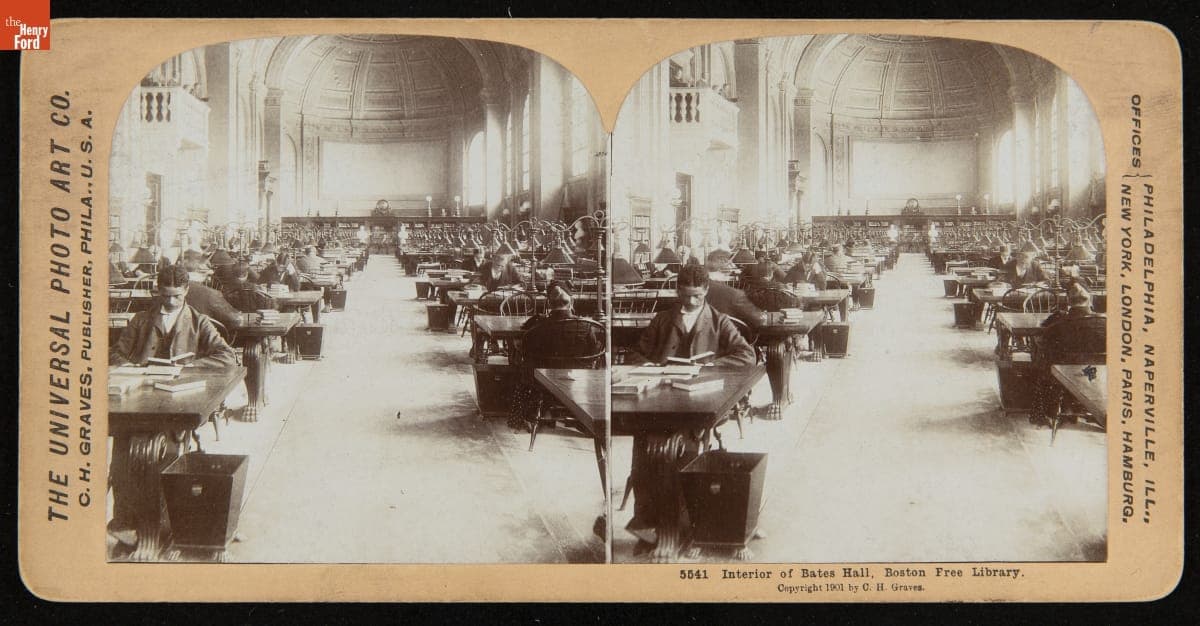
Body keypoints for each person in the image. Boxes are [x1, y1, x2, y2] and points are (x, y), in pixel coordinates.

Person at [110, 264, 237, 368]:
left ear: (186, 290)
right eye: (166, 296)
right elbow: (115, 353)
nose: (171, 302)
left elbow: (227, 356)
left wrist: (192, 365)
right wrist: (127, 365)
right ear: (159, 290)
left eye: (177, 296)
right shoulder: (140, 319)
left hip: (182, 383)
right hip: (144, 380)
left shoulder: (199, 321)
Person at [631, 265, 756, 367]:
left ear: (706, 290)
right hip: (665, 381)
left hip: (703, 383)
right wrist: (648, 365)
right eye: (686, 296)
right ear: (678, 291)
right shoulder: (661, 319)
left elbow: (747, 355)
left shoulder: (720, 321)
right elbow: (636, 353)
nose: (691, 302)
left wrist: (713, 365)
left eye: (697, 296)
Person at [703, 256, 766, 328]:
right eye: (729, 263)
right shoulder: (735, 295)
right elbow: (759, 319)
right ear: (722, 263)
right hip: (731, 333)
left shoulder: (697, 290)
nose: (732, 265)